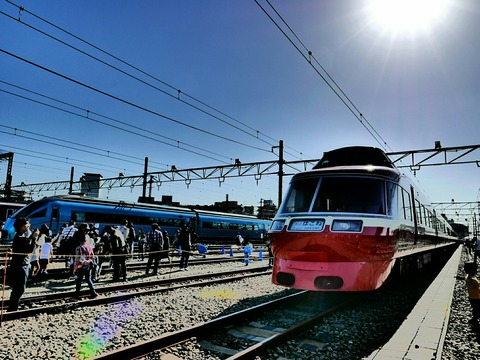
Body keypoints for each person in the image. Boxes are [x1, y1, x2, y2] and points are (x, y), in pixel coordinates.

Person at [7, 217, 36, 311]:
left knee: (17, 288)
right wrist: (34, 237)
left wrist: (32, 237)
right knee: (19, 288)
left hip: (21, 265)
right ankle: (12, 308)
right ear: (20, 226)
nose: (29, 225)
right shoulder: (19, 237)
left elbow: (27, 245)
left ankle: (12, 307)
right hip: (21, 266)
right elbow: (29, 249)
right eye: (26, 224)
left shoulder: (20, 236)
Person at [73, 229, 98, 300]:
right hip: (89, 265)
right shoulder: (89, 247)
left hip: (81, 265)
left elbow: (77, 260)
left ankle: (77, 294)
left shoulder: (78, 248)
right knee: (88, 279)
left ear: (79, 241)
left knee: (79, 280)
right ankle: (93, 293)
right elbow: (92, 256)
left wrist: (74, 269)